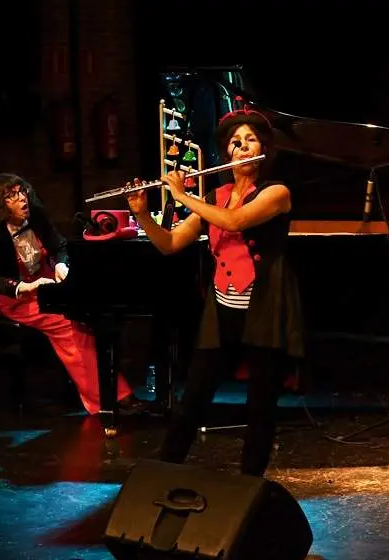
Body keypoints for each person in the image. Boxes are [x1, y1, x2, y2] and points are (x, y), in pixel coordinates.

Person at [126, 104, 304, 477]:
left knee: (260, 406)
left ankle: (248, 484)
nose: (242, 147)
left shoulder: (277, 193)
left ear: (263, 150)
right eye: (236, 142)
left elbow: (235, 221)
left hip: (264, 308)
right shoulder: (216, 195)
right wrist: (143, 214)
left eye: (250, 140)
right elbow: (171, 244)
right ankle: (162, 473)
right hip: (222, 309)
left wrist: (181, 195)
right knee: (193, 398)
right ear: (227, 152)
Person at [0, 173, 148, 416]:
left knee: (88, 317)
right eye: (12, 196)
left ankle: (110, 393)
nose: (22, 198)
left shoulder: (36, 216)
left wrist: (60, 263)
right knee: (69, 324)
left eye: (21, 192)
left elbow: (60, 246)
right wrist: (21, 287)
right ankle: (109, 400)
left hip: (46, 286)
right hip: (15, 299)